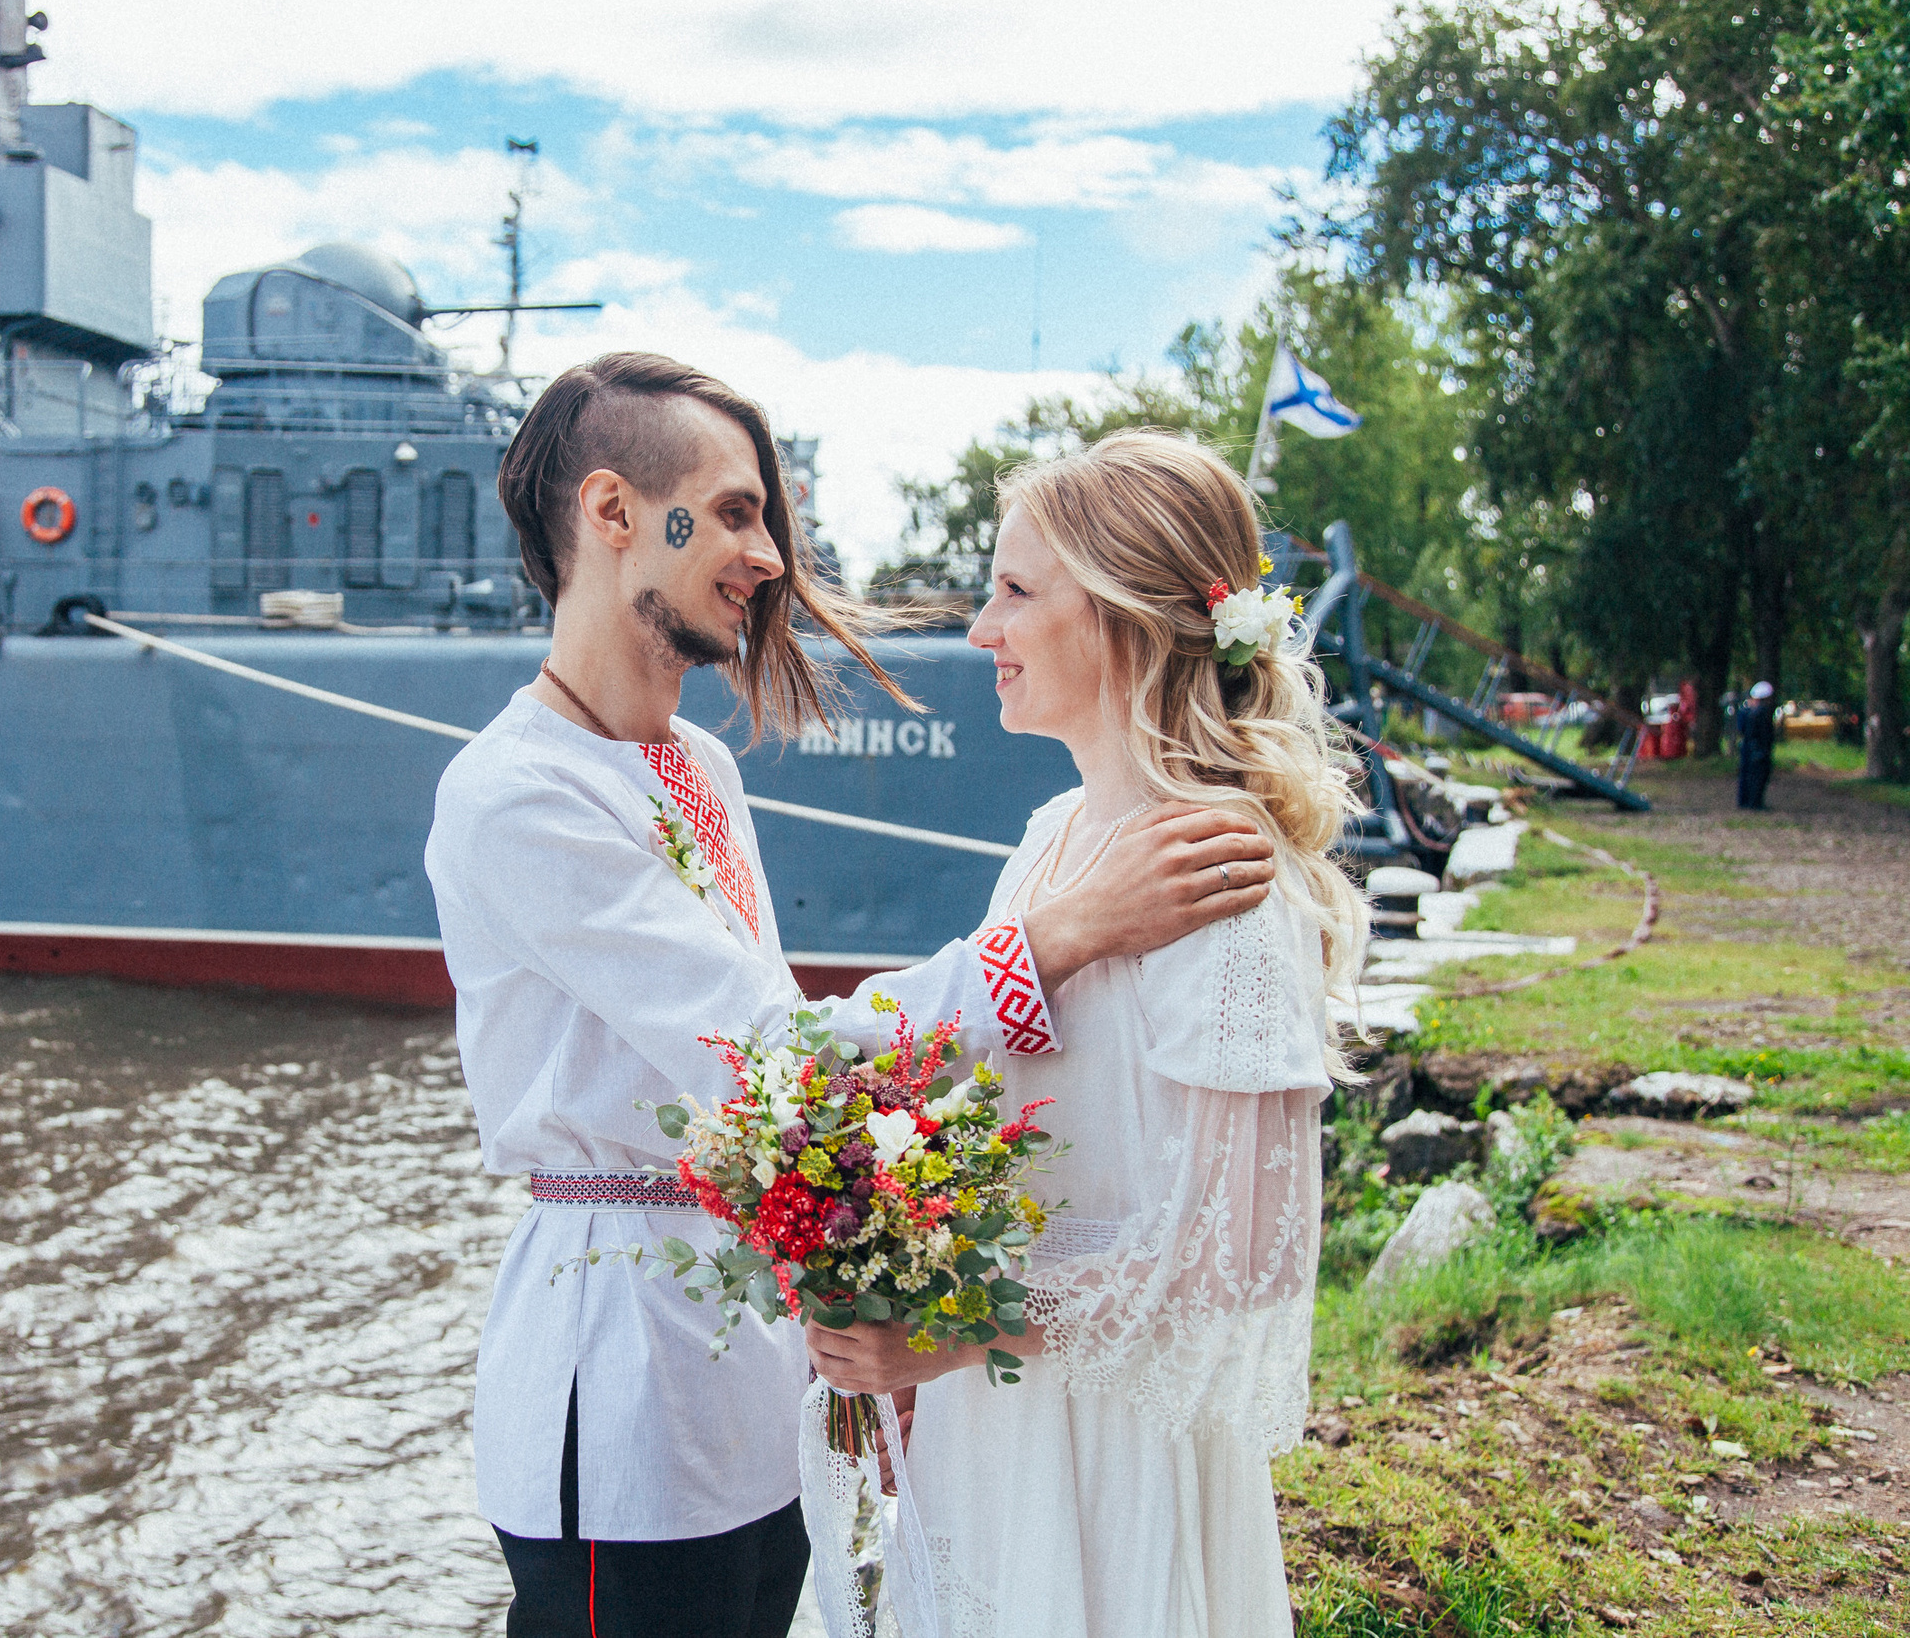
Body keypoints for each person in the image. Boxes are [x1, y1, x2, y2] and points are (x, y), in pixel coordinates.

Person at [424, 356, 1280, 1638]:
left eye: (763, 515)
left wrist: (889, 1328)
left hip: (769, 1377)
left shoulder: (698, 762)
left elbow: (788, 1103)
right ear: (613, 516)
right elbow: (773, 1057)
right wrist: (1055, 940)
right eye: (727, 513)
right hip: (627, 1385)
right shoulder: (515, 797)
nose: (768, 554)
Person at [804, 430, 1365, 1638]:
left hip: (1112, 1459)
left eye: (1013, 591)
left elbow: (1237, 1260)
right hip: (994, 1423)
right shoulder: (1056, 839)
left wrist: (953, 1335)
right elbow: (1026, 1065)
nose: (979, 632)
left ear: (1120, 618)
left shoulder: (1223, 880)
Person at [1735, 681, 1777, 810]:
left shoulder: (1745, 711)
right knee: (1758, 776)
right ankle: (1755, 802)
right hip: (1758, 748)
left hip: (1747, 747)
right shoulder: (1762, 713)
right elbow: (1765, 733)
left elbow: (1741, 729)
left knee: (1746, 775)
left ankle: (1744, 801)